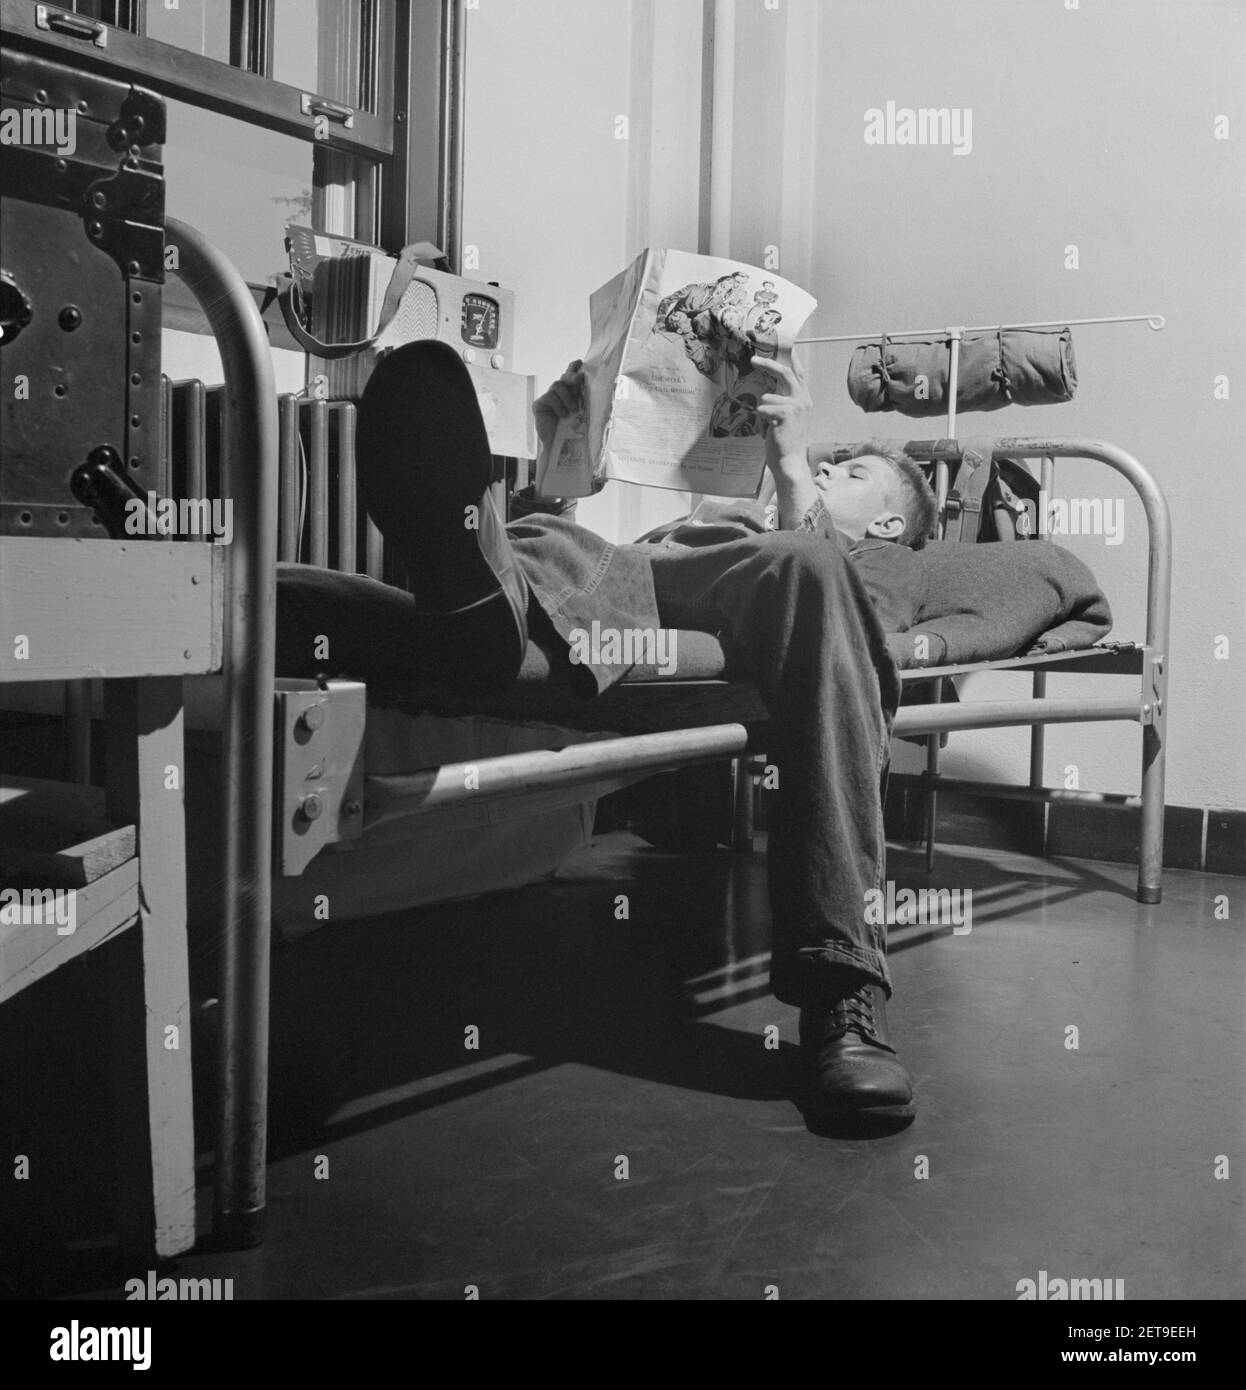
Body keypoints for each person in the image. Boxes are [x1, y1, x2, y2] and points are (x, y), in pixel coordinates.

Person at [353, 340, 937, 1135]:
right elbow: (607, 583)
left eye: (854, 475)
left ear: (893, 520)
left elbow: (850, 641)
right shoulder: (724, 519)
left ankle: (842, 992)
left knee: (807, 564)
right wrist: (567, 457)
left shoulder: (878, 564)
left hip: (768, 585)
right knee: (562, 545)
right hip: (646, 576)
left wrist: (795, 463)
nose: (832, 472)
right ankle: (468, 586)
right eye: (829, 465)